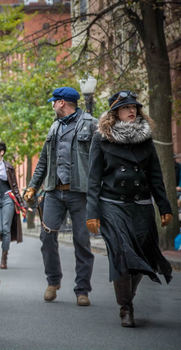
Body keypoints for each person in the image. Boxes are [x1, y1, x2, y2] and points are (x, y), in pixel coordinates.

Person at [86, 91, 173, 327]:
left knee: (142, 258)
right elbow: (93, 179)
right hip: (113, 204)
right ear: (115, 113)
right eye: (126, 108)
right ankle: (126, 307)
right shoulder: (101, 138)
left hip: (141, 205)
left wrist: (164, 207)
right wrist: (91, 213)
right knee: (122, 254)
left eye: (134, 107)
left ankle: (127, 296)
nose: (132, 111)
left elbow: (156, 175)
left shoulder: (146, 138)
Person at [24, 87, 97, 306]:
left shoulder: (91, 124)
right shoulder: (55, 126)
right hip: (54, 192)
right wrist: (32, 187)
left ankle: (82, 289)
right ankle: (52, 281)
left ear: (62, 103)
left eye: (53, 102)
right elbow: (44, 161)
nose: (52, 105)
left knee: (82, 241)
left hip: (80, 193)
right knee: (47, 237)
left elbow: (98, 162)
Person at [0, 142, 24, 269]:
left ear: (1, 152)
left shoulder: (8, 166)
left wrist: (20, 202)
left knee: (6, 228)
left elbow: (14, 186)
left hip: (8, 197)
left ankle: (4, 257)